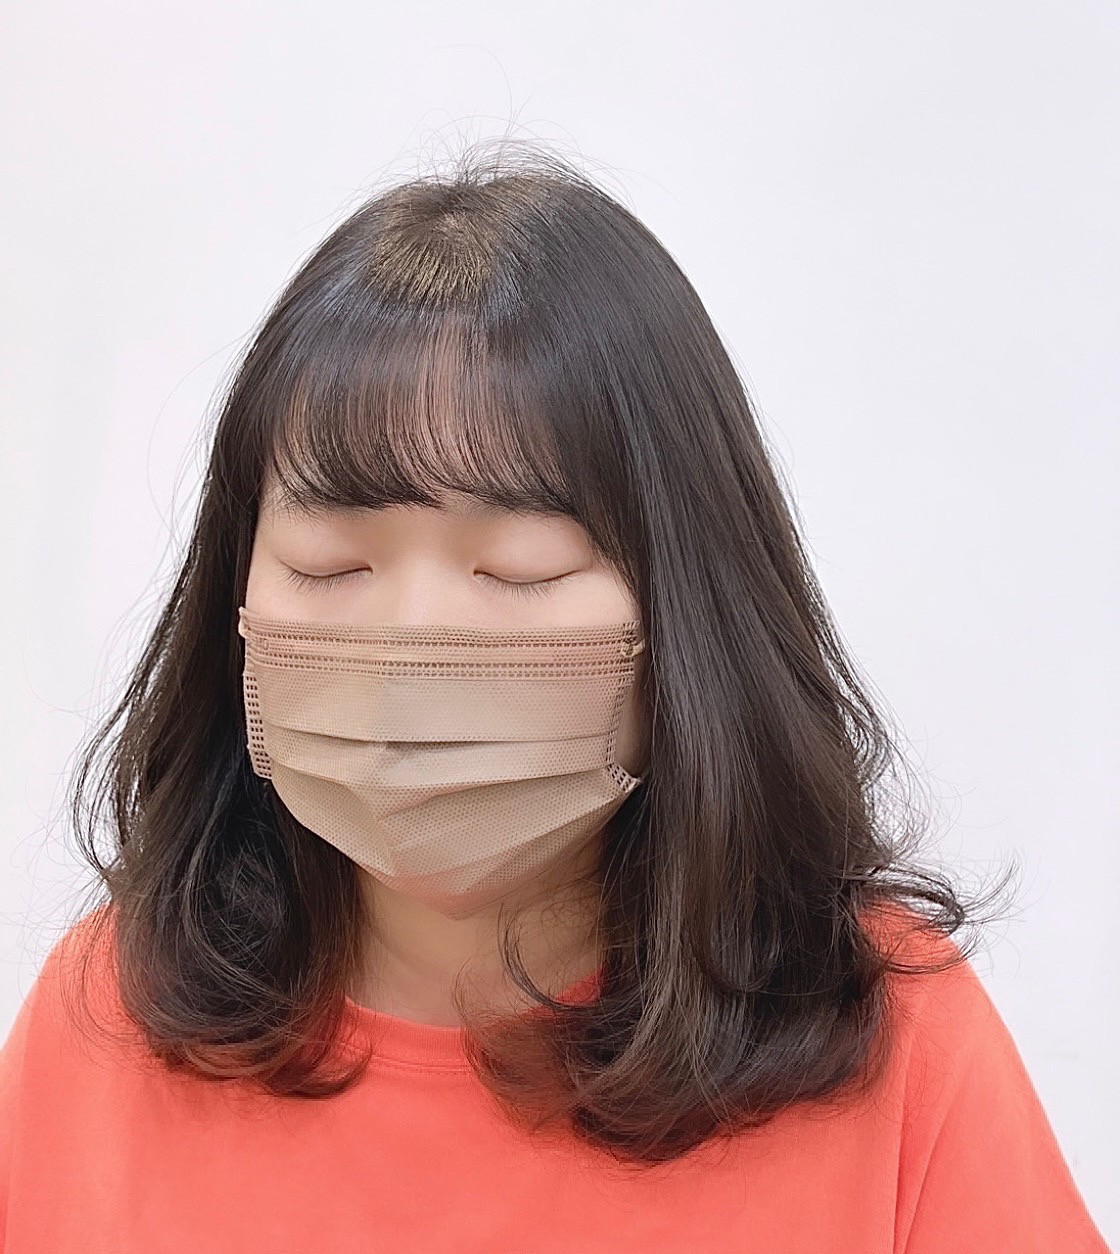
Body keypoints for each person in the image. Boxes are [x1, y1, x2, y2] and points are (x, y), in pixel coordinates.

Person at [0, 145, 1109, 1253]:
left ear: (687, 609)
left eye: (520, 569)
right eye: (330, 564)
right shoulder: (112, 1015)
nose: (412, 642)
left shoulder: (890, 1041)